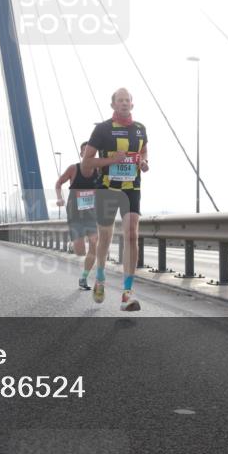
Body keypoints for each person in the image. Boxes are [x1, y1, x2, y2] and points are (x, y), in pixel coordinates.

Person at [82, 88, 149, 311]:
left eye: (127, 100)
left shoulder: (140, 129)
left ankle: (127, 293)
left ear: (132, 104)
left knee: (131, 235)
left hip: (132, 188)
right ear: (113, 105)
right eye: (119, 100)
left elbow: (144, 152)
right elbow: (86, 163)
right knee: (106, 236)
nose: (124, 103)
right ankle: (100, 278)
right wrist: (111, 161)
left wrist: (144, 163)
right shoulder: (102, 129)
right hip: (107, 189)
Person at [55, 142, 102, 291]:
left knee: (94, 243)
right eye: (86, 152)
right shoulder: (73, 169)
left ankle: (84, 277)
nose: (90, 155)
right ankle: (73, 243)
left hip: (91, 213)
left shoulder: (99, 169)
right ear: (82, 154)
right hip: (75, 212)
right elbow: (58, 183)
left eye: (93, 153)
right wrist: (59, 198)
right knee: (80, 250)